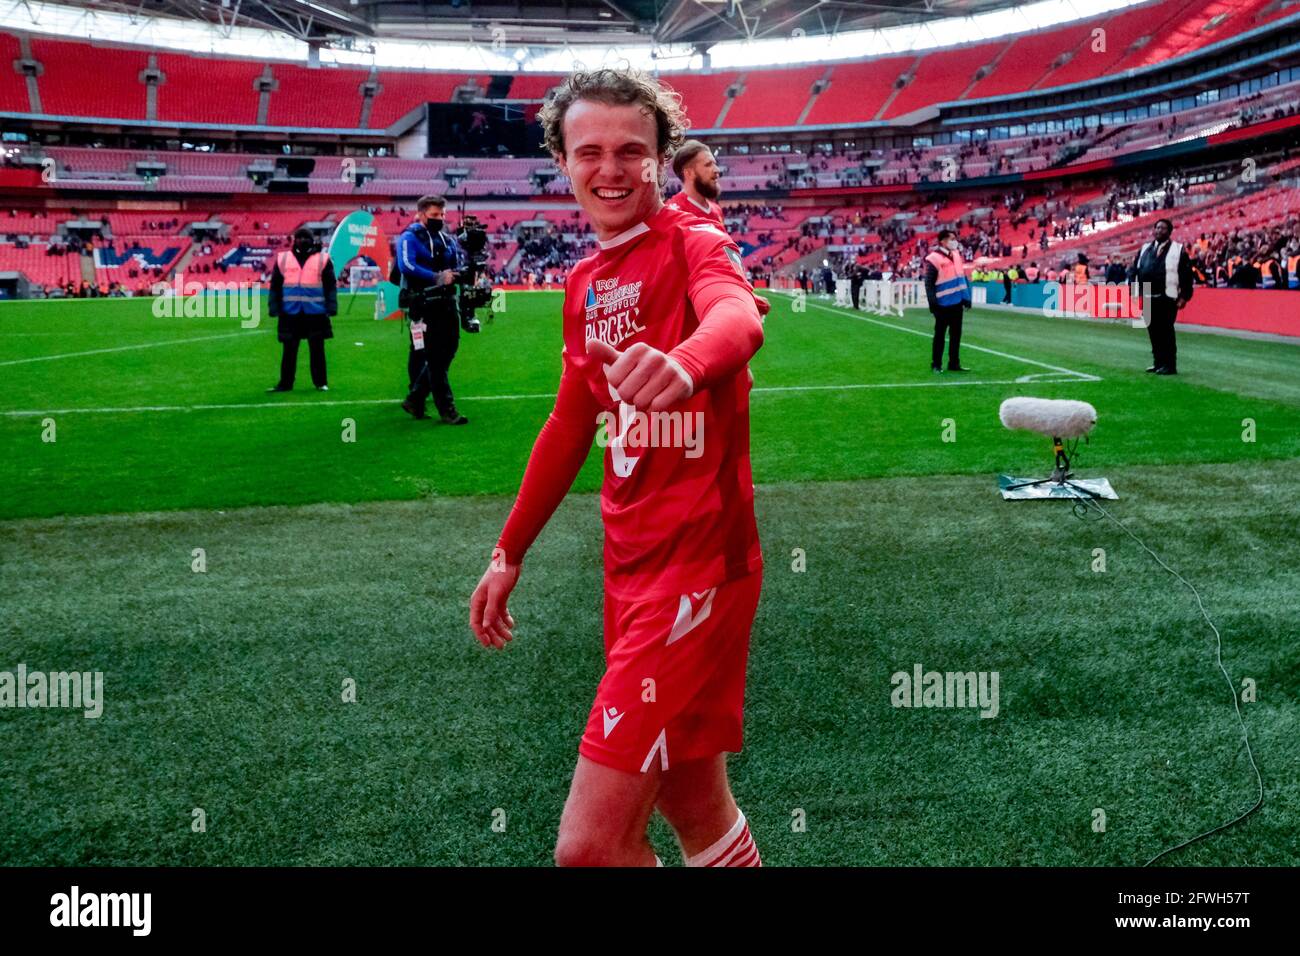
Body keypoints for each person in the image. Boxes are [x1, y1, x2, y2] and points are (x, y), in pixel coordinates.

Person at [467, 67, 765, 868]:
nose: (609, 169)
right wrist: (508, 553)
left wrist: (688, 363)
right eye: (587, 151)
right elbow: (570, 424)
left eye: (631, 151)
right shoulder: (585, 283)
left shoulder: (695, 241)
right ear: (561, 162)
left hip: (696, 567)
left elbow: (737, 316)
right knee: (692, 798)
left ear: (662, 157)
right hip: (628, 570)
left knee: (589, 848)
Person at [667, 139, 770, 316]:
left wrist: (746, 291)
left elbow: (728, 254)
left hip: (715, 301)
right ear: (689, 173)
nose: (717, 171)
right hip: (687, 307)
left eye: (715, 163)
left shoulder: (715, 210)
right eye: (708, 165)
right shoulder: (673, 212)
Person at [396, 195, 468, 424]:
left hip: (447, 302)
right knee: (435, 356)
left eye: (443, 215)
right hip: (423, 303)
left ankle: (416, 398)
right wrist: (436, 277)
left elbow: (455, 264)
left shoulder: (447, 240)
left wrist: (460, 273)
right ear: (421, 214)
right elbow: (405, 265)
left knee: (449, 348)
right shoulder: (408, 237)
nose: (440, 219)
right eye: (435, 215)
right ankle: (447, 409)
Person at [267, 228, 336, 392]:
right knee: (289, 350)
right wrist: (274, 306)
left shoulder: (323, 259)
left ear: (312, 240)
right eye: (299, 237)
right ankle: (285, 383)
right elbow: (275, 285)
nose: (302, 240)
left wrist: (331, 306)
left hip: (316, 312)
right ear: (294, 239)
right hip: (290, 312)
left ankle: (320, 382)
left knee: (317, 349)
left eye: (306, 237)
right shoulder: (283, 258)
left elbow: (330, 286)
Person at [1131, 217, 1193, 375]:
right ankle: (1158, 362)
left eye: (1163, 228)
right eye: (1157, 228)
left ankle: (1169, 365)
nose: (1159, 230)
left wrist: (1184, 296)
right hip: (1146, 295)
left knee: (1166, 332)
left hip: (1167, 296)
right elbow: (1135, 269)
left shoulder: (1178, 250)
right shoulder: (1145, 248)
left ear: (1169, 231)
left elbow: (1186, 274)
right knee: (1153, 331)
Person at [924, 228, 972, 373]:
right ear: (942, 241)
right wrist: (933, 304)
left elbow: (961, 277)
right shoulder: (934, 258)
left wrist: (966, 297)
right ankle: (936, 364)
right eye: (951, 239)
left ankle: (954, 363)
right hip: (942, 304)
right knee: (939, 336)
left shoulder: (957, 255)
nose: (954, 241)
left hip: (957, 301)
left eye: (955, 238)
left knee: (956, 335)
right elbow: (929, 283)